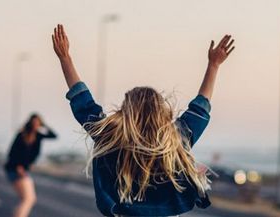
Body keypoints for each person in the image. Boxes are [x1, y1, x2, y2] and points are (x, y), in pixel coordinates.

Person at [51, 24, 234, 216]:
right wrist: (214, 65)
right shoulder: (176, 138)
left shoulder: (111, 137)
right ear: (160, 111)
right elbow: (201, 106)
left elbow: (83, 102)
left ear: (127, 111)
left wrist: (65, 58)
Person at [3, 113, 57, 217]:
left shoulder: (38, 136)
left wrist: (44, 125)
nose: (36, 125)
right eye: (34, 123)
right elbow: (12, 153)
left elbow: (54, 136)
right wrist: (18, 166)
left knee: (26, 199)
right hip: (15, 169)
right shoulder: (22, 135)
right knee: (29, 199)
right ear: (30, 123)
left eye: (38, 123)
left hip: (21, 170)